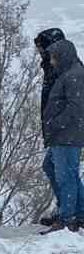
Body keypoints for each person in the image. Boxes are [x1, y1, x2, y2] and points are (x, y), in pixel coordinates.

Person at [40, 38, 84, 233]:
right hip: (63, 136)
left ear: (63, 56)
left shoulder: (74, 75)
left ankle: (68, 219)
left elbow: (76, 108)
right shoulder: (68, 73)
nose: (51, 62)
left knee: (66, 176)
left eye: (54, 58)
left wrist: (54, 123)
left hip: (67, 136)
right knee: (53, 168)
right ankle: (79, 211)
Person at [35, 27, 67, 226]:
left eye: (41, 47)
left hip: (64, 130)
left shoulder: (61, 68)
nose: (39, 52)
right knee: (54, 167)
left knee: (64, 171)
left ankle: (70, 209)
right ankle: (66, 205)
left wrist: (56, 124)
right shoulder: (51, 67)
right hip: (56, 127)